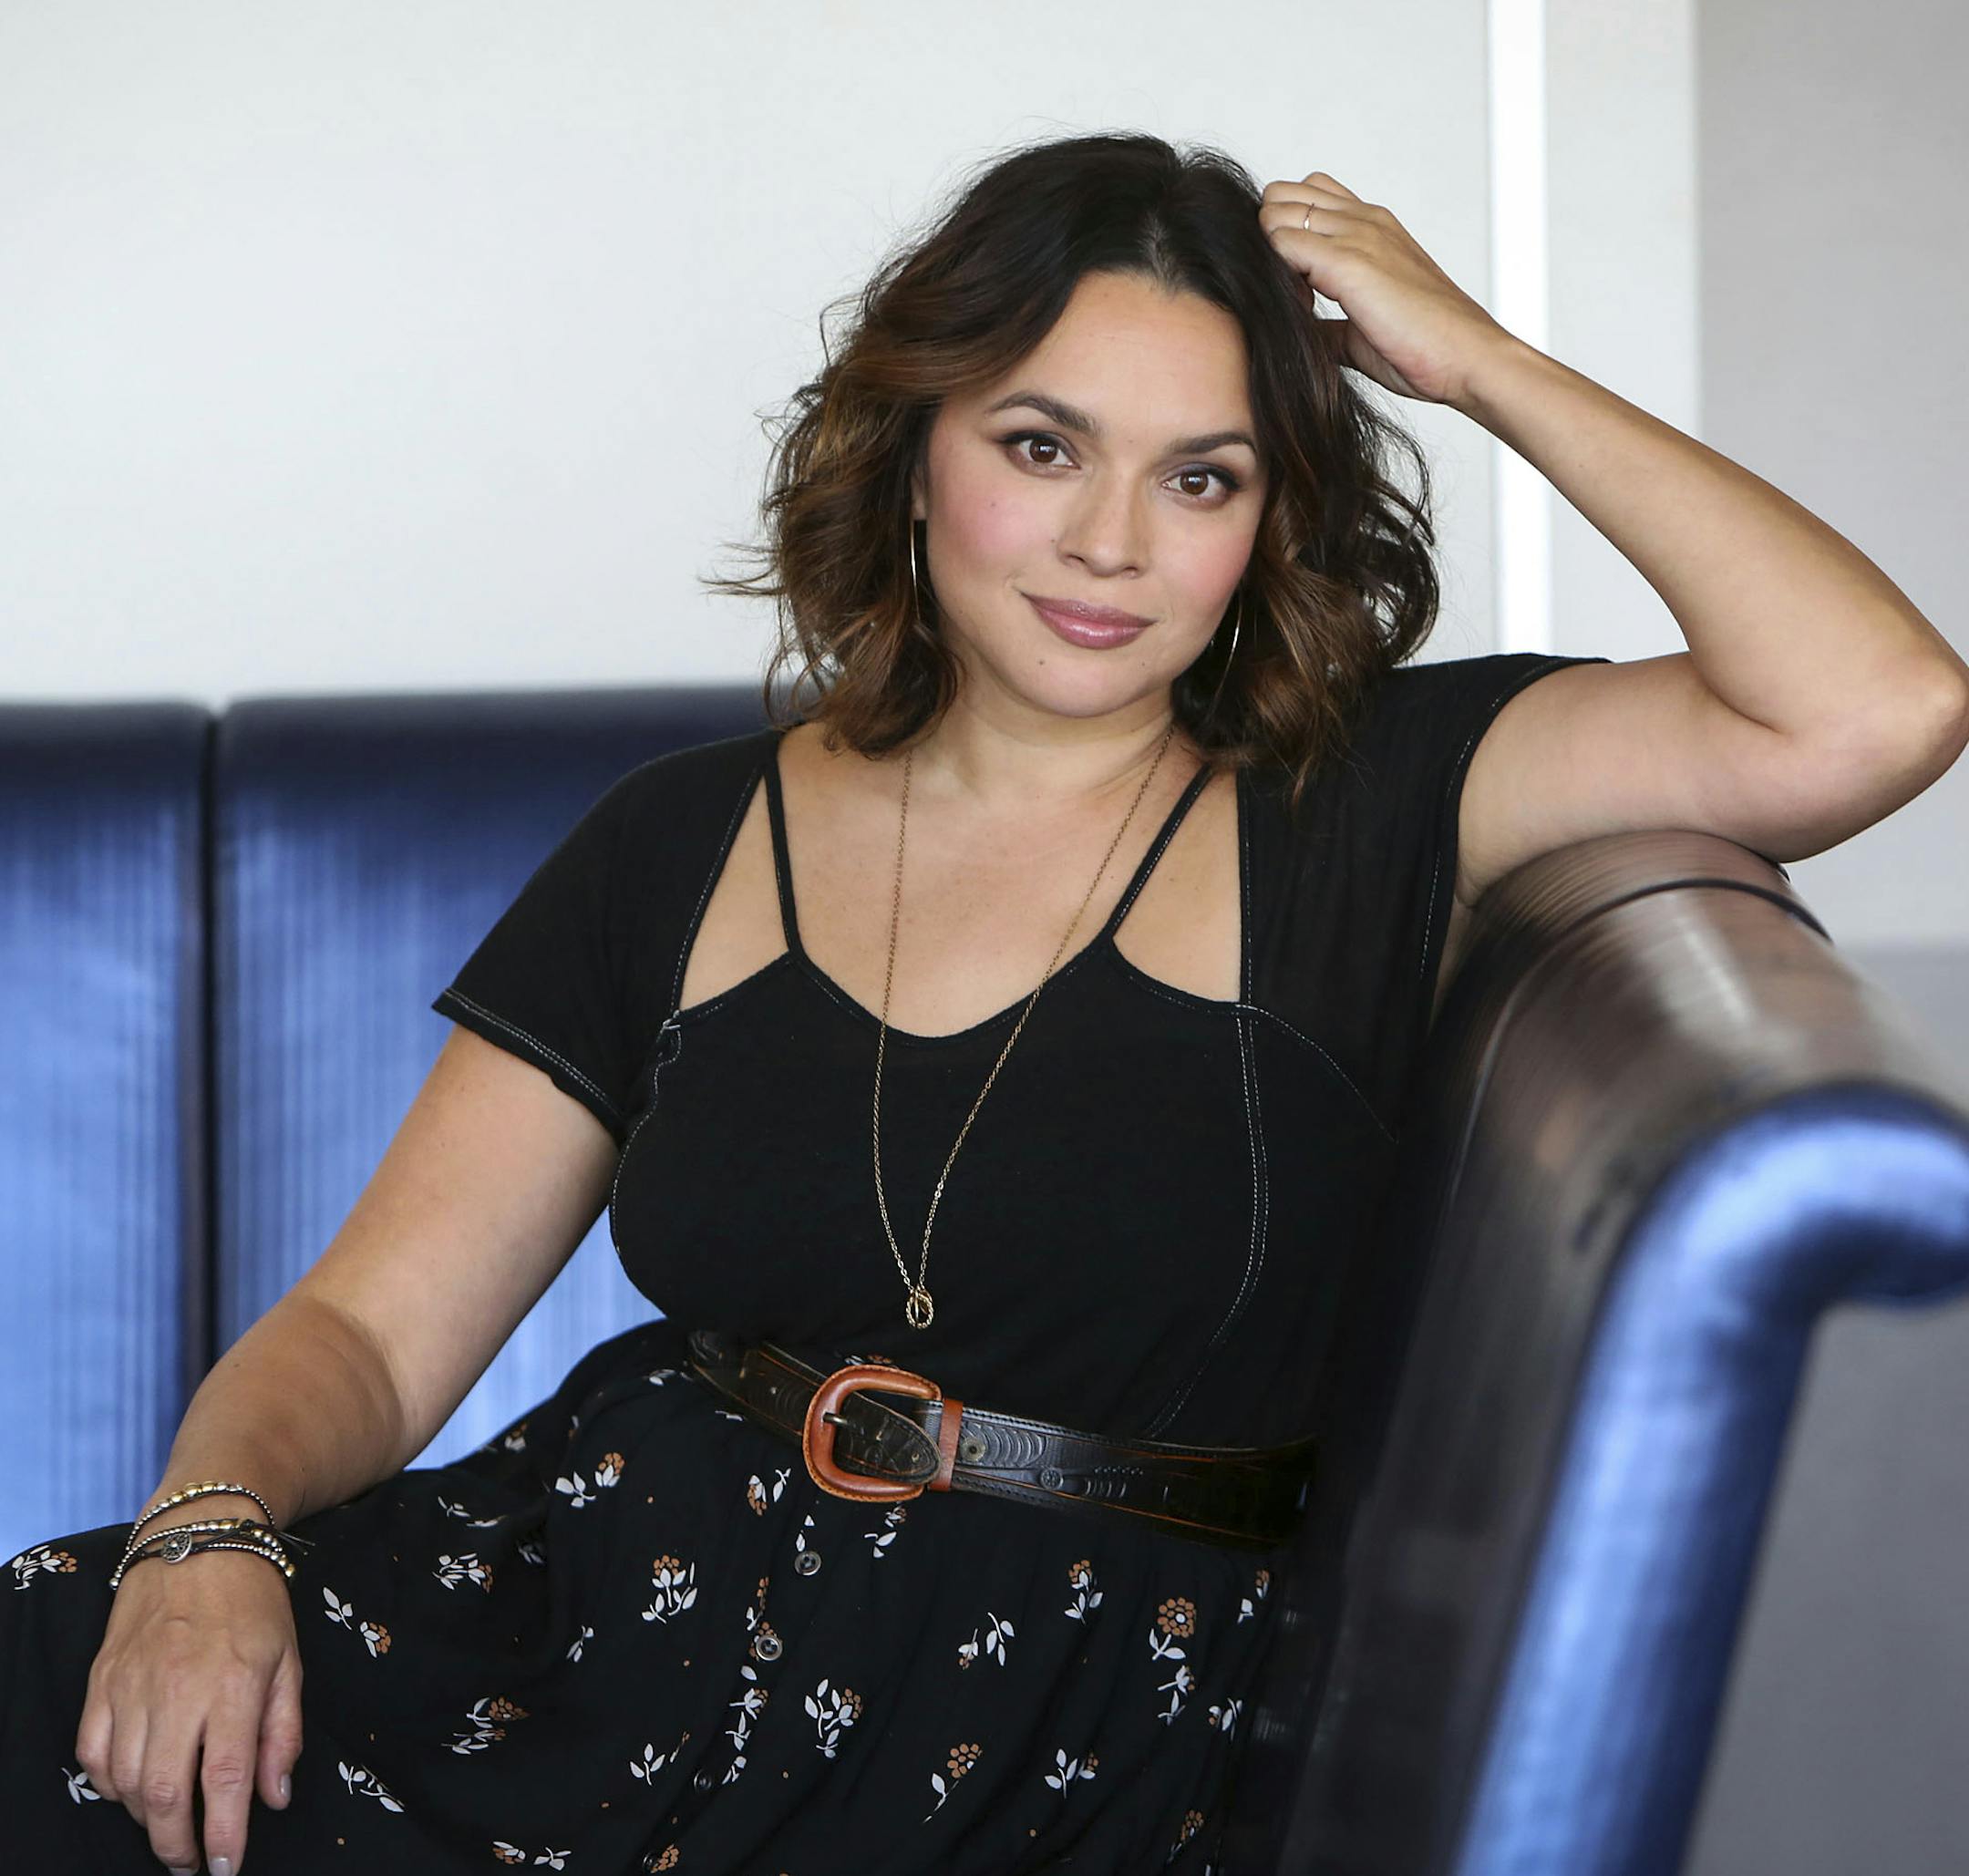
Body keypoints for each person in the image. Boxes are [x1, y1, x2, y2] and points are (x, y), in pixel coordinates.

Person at [5, 128, 1671, 1874]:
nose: (1111, 542)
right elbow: (366, 1331)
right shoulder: (680, 836)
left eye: (1202, 477)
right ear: (916, 448)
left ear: (1272, 517)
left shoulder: (1380, 798)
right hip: (578, 1659)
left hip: (1049, 1744)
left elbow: (1846, 708)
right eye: (1042, 447)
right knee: (47, 1679)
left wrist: (1476, 361)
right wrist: (205, 1538)